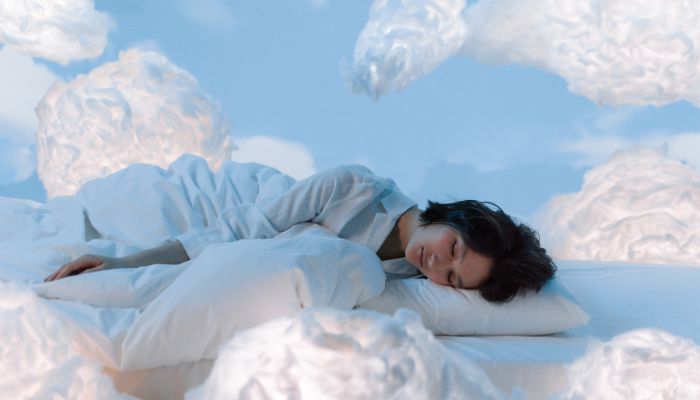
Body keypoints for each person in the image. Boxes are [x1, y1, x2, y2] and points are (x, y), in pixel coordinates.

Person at [44, 157, 556, 303]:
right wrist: (127, 264)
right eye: (455, 248)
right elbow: (245, 225)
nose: (438, 265)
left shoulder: (409, 280)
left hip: (265, 242)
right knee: (137, 209)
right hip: (242, 207)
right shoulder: (354, 186)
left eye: (457, 279)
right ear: (454, 218)